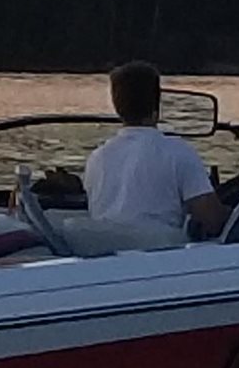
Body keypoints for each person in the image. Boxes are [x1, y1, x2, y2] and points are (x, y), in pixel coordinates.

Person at [83, 61, 224, 240]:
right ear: (157, 106)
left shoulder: (97, 158)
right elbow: (212, 220)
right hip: (166, 260)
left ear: (117, 108)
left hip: (108, 258)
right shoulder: (178, 152)